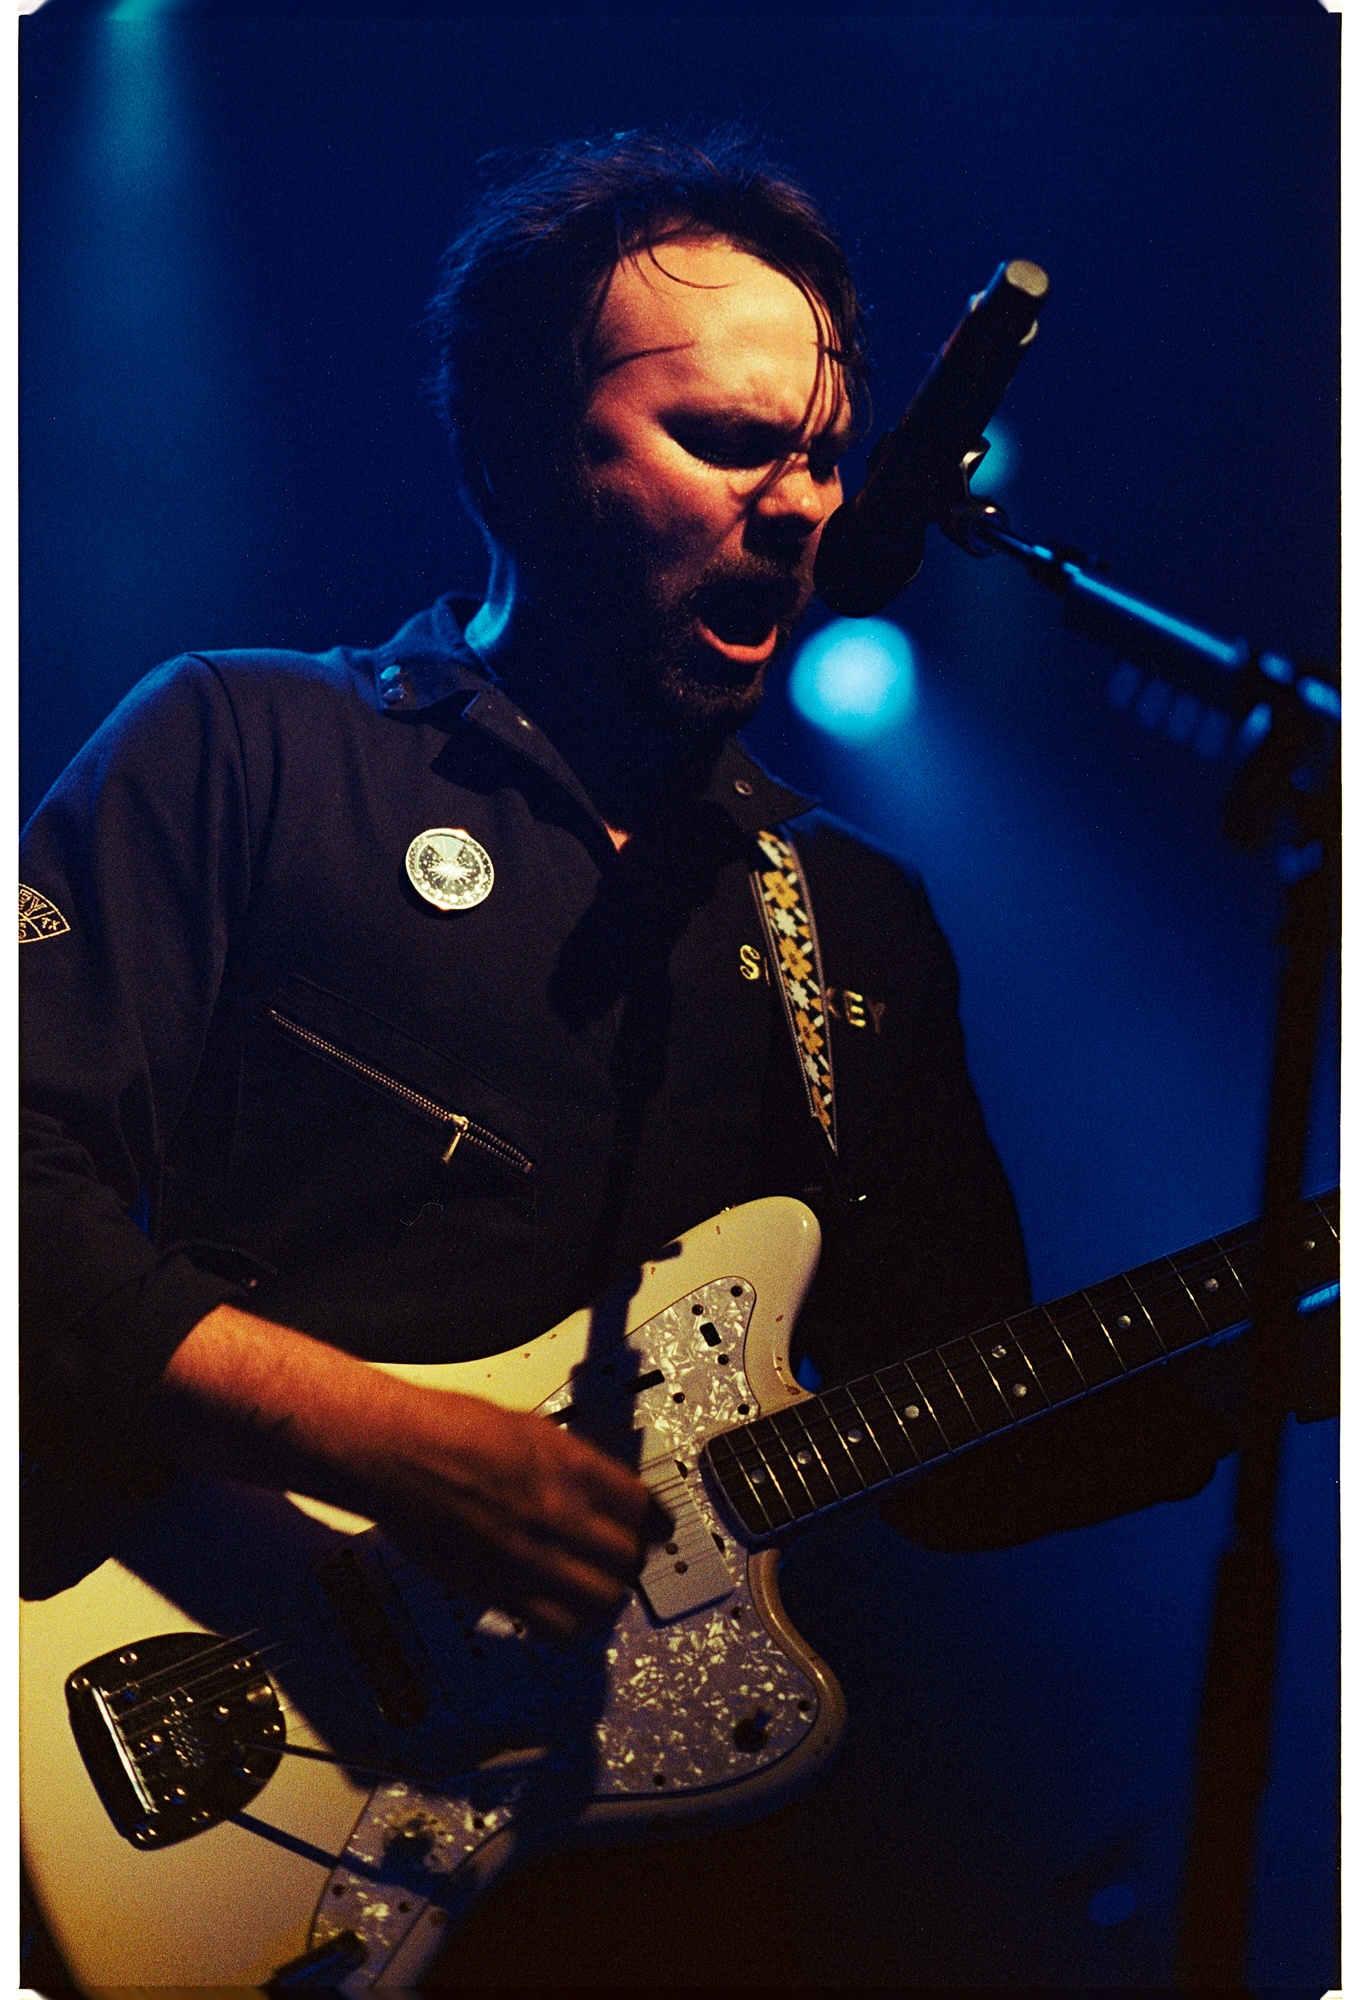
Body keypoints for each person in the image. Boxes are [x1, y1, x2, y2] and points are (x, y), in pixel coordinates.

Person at [20, 130, 1249, 1983]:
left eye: (824, 455)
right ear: (524, 454)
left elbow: (956, 1451)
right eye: (731, 443)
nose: (802, 503)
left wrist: (1254, 1375)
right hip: (169, 1735)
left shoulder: (852, 924)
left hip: (642, 1886)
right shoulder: (243, 750)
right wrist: (401, 1447)